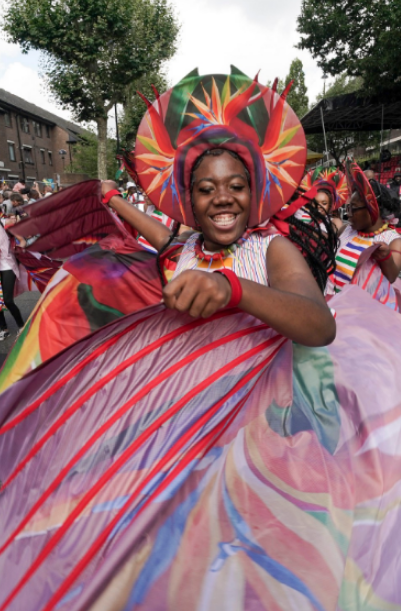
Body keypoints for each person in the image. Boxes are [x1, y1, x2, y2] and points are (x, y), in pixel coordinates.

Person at [1, 69, 401, 611]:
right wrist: (113, 201)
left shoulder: (272, 249)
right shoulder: (185, 248)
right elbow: (161, 239)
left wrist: (234, 288)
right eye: (206, 189)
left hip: (259, 433)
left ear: (255, 191)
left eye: (236, 186)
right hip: (185, 426)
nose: (223, 199)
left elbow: (317, 324)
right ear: (189, 200)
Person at [326, 161, 401, 308]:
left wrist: (385, 257)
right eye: (348, 208)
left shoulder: (393, 240)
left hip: (368, 315)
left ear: (373, 209)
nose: (348, 215)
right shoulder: (346, 230)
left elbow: (391, 276)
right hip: (338, 307)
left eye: (353, 209)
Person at [0, 223, 24, 340]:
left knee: (7, 300)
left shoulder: (5, 225)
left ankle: (21, 326)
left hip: (7, 266)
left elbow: (22, 240)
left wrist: (18, 250)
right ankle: (4, 329)